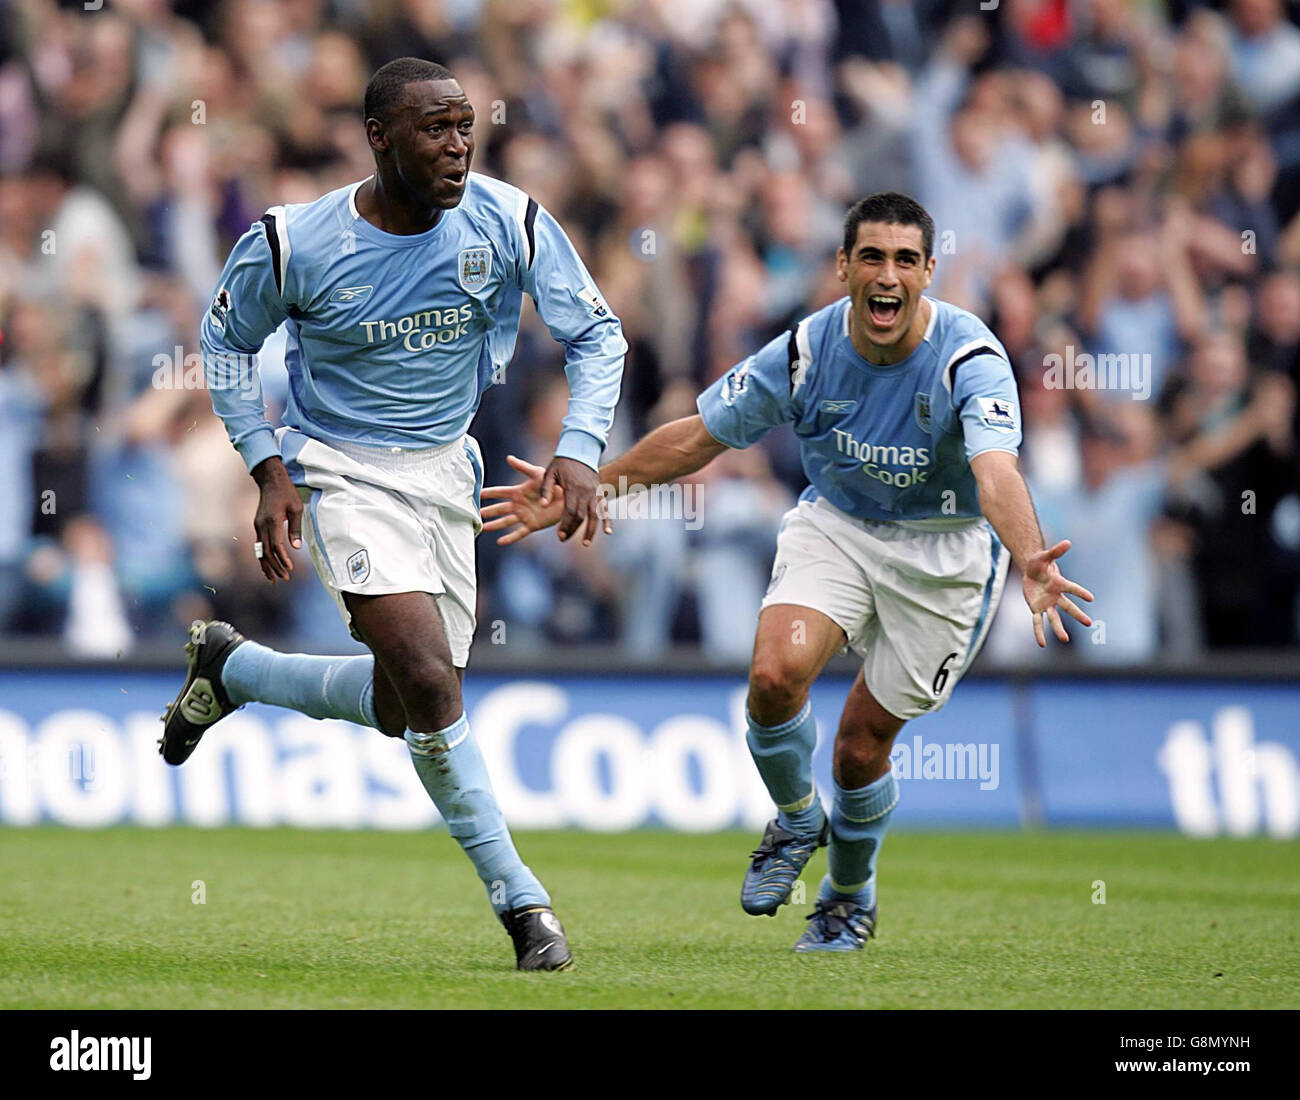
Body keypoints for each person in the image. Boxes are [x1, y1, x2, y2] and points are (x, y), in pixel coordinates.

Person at [482, 192, 1092, 952]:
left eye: (906, 260)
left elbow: (995, 470)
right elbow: (699, 437)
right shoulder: (804, 352)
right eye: (872, 256)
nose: (888, 275)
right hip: (836, 524)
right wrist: (591, 485)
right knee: (773, 676)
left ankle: (847, 894)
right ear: (843, 267)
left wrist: (1031, 555)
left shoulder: (971, 357)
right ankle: (800, 817)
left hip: (944, 553)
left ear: (930, 272)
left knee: (860, 745)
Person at [159, 58, 626, 971]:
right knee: (429, 679)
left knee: (399, 703)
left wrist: (581, 446)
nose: (458, 146)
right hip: (340, 469)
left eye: (465, 126)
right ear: (380, 138)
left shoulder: (509, 219)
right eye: (435, 129)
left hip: (448, 476)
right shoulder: (295, 242)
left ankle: (235, 670)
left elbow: (597, 333)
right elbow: (222, 344)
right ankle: (524, 904)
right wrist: (266, 466)